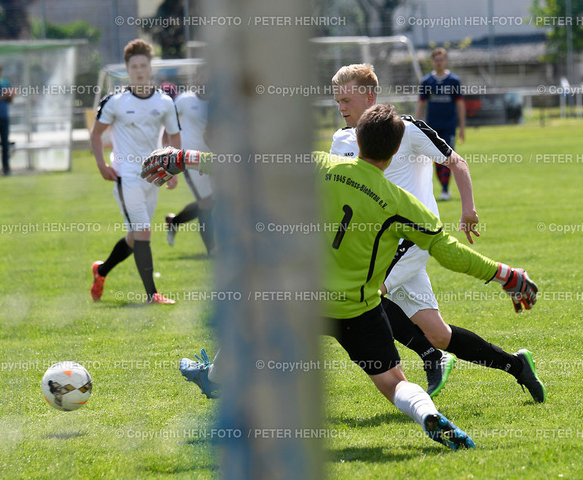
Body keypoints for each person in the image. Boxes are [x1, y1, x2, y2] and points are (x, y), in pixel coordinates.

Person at [138, 105, 539, 450]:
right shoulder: (404, 205)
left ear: (357, 139)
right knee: (394, 382)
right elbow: (451, 254)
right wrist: (506, 275)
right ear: (395, 150)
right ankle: (428, 415)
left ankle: (216, 379)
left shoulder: (319, 164)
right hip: (357, 309)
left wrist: (181, 156)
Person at [330, 64, 545, 403]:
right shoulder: (340, 139)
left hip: (413, 239)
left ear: (369, 96)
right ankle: (516, 365)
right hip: (379, 245)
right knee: (438, 333)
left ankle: (431, 357)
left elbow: (455, 162)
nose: (340, 107)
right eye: (336, 100)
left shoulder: (406, 129)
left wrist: (468, 208)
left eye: (345, 99)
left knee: (364, 294)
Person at [89, 39, 181, 304]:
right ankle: (152, 295)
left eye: (143, 65)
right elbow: (96, 135)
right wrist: (101, 164)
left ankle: (101, 270)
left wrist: (173, 170)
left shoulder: (164, 102)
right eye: (134, 66)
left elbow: (175, 137)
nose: (139, 70)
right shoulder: (115, 102)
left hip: (153, 176)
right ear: (127, 70)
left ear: (150, 68)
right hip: (126, 174)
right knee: (144, 232)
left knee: (135, 236)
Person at [165, 71, 216, 254]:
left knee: (214, 200)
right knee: (206, 202)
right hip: (190, 160)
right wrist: (167, 149)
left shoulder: (217, 103)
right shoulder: (185, 100)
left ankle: (174, 221)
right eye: (203, 76)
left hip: (214, 159)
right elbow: (168, 122)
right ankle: (212, 249)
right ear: (196, 79)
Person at [416, 48, 466, 201]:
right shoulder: (427, 82)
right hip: (432, 126)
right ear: (432, 62)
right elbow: (421, 104)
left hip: (449, 126)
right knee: (436, 157)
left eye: (441, 60)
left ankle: (445, 189)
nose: (439, 63)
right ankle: (443, 187)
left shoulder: (453, 81)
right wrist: (417, 124)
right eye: (436, 60)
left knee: (448, 156)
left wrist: (462, 127)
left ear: (446, 61)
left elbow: (460, 104)